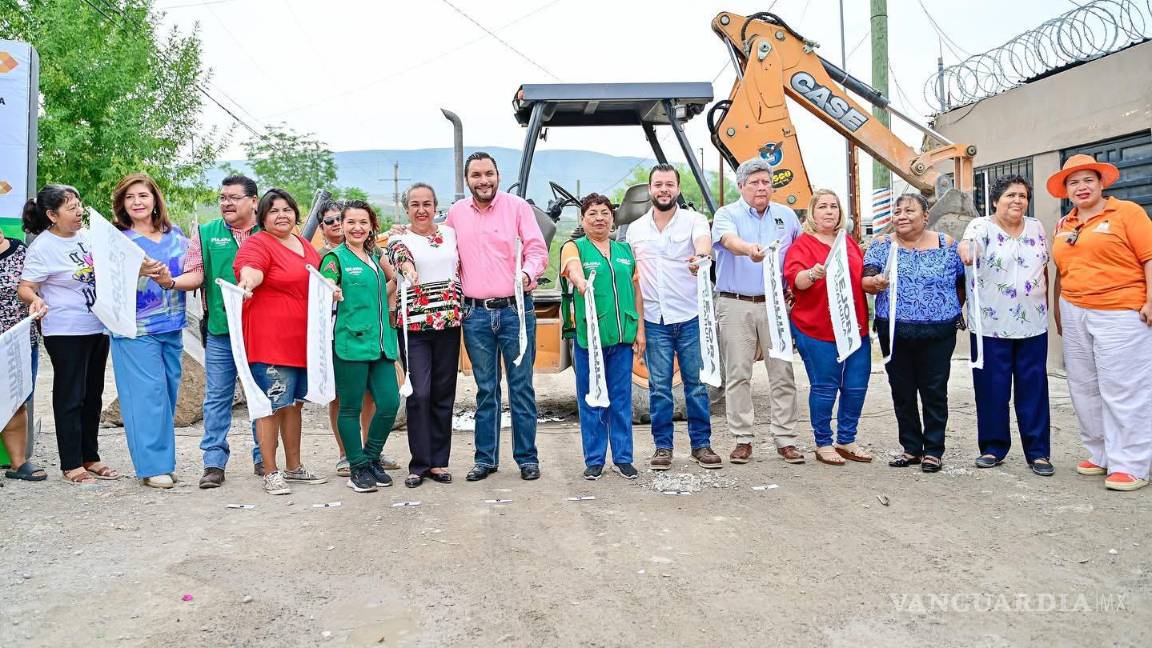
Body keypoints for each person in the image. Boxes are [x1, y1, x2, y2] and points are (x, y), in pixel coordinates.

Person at [1049, 154, 1152, 492]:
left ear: (1101, 182)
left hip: (1120, 310)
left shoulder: (1127, 213)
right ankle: (1101, 453)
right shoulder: (1065, 225)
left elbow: (1149, 257)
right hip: (1076, 310)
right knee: (1084, 386)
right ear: (1066, 190)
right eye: (1073, 182)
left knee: (1123, 387)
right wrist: (1060, 312)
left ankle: (1133, 464)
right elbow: (1062, 272)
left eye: (1087, 180)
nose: (1081, 187)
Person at [447, 152, 548, 482]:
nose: (483, 180)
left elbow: (536, 249)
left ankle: (527, 458)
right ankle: (485, 459)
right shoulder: (456, 214)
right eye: (476, 175)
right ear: (467, 180)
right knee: (486, 389)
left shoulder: (517, 207)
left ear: (498, 176)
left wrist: (526, 274)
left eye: (488, 173)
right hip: (475, 315)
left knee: (521, 387)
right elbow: (442, 250)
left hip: (515, 311)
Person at [18, 185, 119, 483]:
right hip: (65, 331)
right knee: (70, 396)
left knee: (93, 396)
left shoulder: (86, 236)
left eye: (79, 205)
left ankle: (91, 456)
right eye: (71, 207)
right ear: (52, 215)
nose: (79, 212)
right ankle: (71, 462)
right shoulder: (43, 247)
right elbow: (26, 286)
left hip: (97, 326)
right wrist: (34, 299)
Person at [627, 163, 721, 469]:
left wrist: (701, 259)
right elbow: (633, 278)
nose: (663, 189)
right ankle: (663, 448)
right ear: (650, 189)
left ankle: (701, 445)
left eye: (669, 184)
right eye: (658, 184)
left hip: (690, 316)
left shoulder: (694, 221)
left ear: (678, 188)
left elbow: (703, 247)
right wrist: (638, 326)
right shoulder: (635, 230)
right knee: (659, 388)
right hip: (654, 320)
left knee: (695, 385)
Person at [234, 188, 328, 496]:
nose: (282, 215)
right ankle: (270, 471)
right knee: (271, 406)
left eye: (287, 209)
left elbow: (314, 281)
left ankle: (294, 467)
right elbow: (251, 270)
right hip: (270, 341)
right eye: (273, 210)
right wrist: (247, 282)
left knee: (294, 406)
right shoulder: (258, 244)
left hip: (302, 342)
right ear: (262, 216)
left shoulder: (303, 244)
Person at [958, 175, 1053, 476]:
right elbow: (967, 249)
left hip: (1032, 325)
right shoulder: (980, 226)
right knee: (992, 390)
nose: (1017, 201)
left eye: (1023, 196)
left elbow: (1043, 269)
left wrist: (1047, 307)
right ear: (996, 200)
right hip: (990, 327)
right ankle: (993, 447)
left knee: (1034, 389)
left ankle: (1038, 453)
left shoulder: (1036, 227)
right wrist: (966, 252)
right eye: (1011, 195)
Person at [862, 193, 965, 473]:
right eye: (897, 212)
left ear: (925, 215)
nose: (902, 216)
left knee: (934, 390)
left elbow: (961, 283)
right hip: (894, 331)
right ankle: (911, 448)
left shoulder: (947, 245)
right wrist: (875, 283)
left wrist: (945, 310)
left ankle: (933, 450)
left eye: (909, 210)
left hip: (938, 332)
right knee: (903, 391)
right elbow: (866, 279)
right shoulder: (882, 245)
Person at [711, 158, 803, 465]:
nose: (761, 187)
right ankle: (742, 439)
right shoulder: (727, 214)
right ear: (741, 187)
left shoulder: (787, 216)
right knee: (738, 374)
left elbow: (800, 253)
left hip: (775, 305)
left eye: (766, 182)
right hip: (735, 303)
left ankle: (786, 439)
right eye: (754, 183)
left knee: (782, 373)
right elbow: (728, 241)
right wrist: (750, 249)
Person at [177, 175, 264, 489]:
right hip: (221, 330)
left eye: (234, 197)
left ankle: (264, 456)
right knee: (217, 398)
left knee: (262, 395)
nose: (226, 202)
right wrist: (171, 281)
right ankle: (213, 462)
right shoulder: (205, 233)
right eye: (223, 197)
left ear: (253, 201)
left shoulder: (268, 232)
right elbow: (195, 274)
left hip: (262, 332)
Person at [108, 173, 190, 488]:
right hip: (135, 328)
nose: (137, 202)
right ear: (122, 205)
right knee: (147, 395)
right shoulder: (117, 239)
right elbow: (90, 275)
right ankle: (152, 466)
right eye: (130, 198)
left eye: (143, 195)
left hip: (172, 325)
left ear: (155, 200)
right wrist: (132, 269)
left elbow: (192, 273)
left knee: (167, 394)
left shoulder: (177, 236)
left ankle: (162, 461)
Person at [560, 193, 645, 480]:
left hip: (622, 339)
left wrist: (640, 330)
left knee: (621, 399)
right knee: (592, 398)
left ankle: (623, 458)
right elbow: (572, 268)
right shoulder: (575, 247)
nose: (599, 218)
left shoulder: (624, 251)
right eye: (592, 213)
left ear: (613, 218)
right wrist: (581, 281)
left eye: (605, 213)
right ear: (582, 220)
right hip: (590, 341)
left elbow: (636, 292)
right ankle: (595, 459)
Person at [784, 189, 872, 466]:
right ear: (812, 212)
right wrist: (812, 274)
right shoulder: (803, 245)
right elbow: (796, 280)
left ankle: (846, 439)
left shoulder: (848, 243)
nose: (829, 211)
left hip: (853, 326)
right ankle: (823, 442)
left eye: (834, 206)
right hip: (816, 327)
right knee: (825, 387)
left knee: (856, 386)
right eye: (822, 206)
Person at [320, 200, 401, 493]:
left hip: (380, 344)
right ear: (341, 225)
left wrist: (383, 293)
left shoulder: (373, 256)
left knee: (390, 402)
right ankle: (357, 466)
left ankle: (370, 458)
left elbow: (392, 280)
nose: (357, 228)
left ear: (371, 226)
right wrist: (332, 290)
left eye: (363, 223)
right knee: (350, 407)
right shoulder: (335, 258)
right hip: (350, 344)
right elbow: (325, 283)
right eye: (351, 222)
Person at [388, 182, 461, 488]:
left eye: (427, 203)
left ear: (435, 206)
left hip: (448, 322)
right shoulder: (398, 238)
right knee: (419, 394)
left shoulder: (450, 234)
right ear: (407, 208)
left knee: (444, 394)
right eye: (415, 204)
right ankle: (419, 463)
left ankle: (439, 463)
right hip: (415, 327)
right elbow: (401, 258)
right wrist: (409, 271)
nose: (421, 210)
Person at [1, 224, 46, 482]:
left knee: (17, 400)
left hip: (17, 341)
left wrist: (37, 301)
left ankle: (18, 464)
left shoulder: (19, 250)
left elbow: (32, 286)